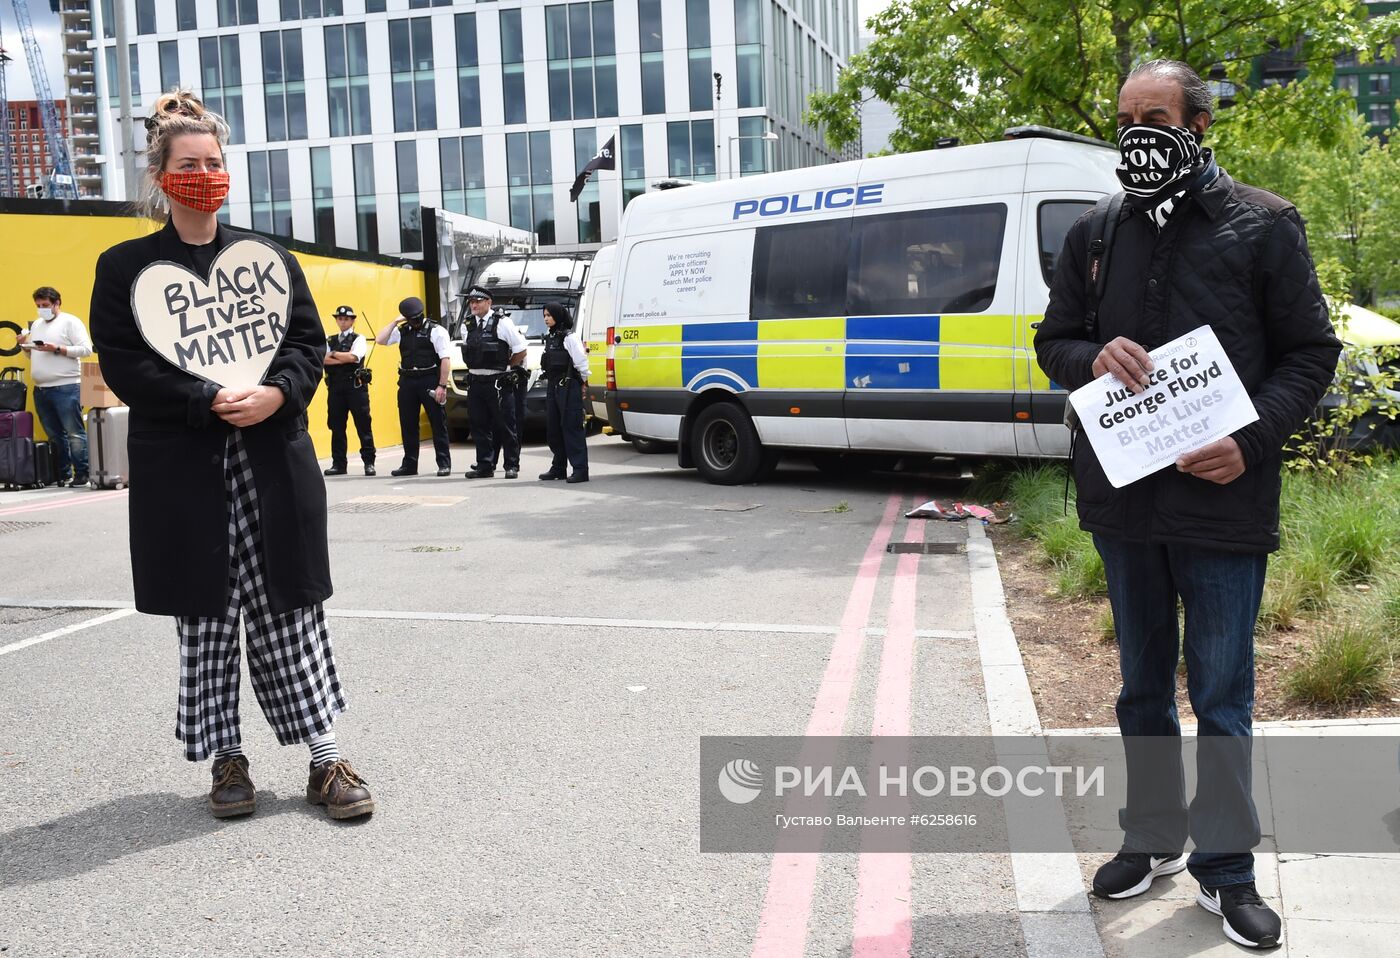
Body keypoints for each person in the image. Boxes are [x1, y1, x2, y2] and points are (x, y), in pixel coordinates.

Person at [1035, 60, 1341, 950]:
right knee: (1139, 687)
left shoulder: (1265, 222)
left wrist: (1249, 441)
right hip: (1124, 504)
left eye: (1156, 116)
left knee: (1221, 691)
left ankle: (1228, 870)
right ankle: (1154, 838)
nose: (1138, 132)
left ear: (1200, 126)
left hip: (1222, 503)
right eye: (1125, 118)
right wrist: (1090, 356)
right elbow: (1052, 341)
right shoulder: (1095, 234)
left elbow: (1310, 355)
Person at [89, 90, 374, 821]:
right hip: (186, 469)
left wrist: (277, 394)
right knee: (206, 619)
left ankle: (325, 757)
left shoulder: (265, 259)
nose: (206, 174)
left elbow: (306, 346)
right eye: (190, 164)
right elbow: (125, 362)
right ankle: (227, 762)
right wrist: (205, 398)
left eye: (215, 163)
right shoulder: (124, 267)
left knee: (295, 612)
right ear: (160, 175)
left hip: (271, 459)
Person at [18, 286, 92, 487]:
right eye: (38, 306)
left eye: (45, 305)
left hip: (67, 387)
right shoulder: (37, 326)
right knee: (55, 435)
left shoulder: (70, 321)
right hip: (42, 389)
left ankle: (82, 473)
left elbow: (86, 349)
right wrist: (25, 346)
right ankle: (63, 473)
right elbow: (33, 354)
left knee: (74, 433)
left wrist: (57, 348)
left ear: (57, 303)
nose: (42, 309)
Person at [376, 296, 452, 477]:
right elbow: (380, 339)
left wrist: (442, 385)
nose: (415, 322)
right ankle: (410, 464)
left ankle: (444, 463)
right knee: (408, 424)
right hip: (408, 381)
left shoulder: (436, 331)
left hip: (429, 380)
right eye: (411, 319)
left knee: (437, 423)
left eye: (418, 318)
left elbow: (445, 360)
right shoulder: (402, 331)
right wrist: (395, 322)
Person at [459, 285, 527, 479]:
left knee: (506, 425)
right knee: (479, 425)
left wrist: (507, 365)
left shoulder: (503, 323)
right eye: (471, 302)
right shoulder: (467, 325)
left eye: (478, 301)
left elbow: (521, 349)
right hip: (475, 381)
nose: (474, 305)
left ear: (489, 302)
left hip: (497, 382)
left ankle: (511, 465)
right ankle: (485, 465)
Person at [537, 302, 589, 483]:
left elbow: (582, 364)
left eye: (549, 315)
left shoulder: (569, 338)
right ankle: (558, 468)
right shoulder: (551, 337)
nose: (546, 319)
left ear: (558, 316)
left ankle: (580, 470)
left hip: (568, 386)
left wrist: (581, 384)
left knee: (571, 427)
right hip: (553, 386)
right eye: (544, 315)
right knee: (553, 429)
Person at [322, 304, 376, 477]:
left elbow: (354, 357)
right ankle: (339, 464)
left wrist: (334, 355)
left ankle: (369, 463)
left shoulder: (358, 338)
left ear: (352, 320)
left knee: (363, 424)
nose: (342, 321)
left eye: (346, 319)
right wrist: (341, 357)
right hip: (336, 387)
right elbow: (323, 360)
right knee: (336, 426)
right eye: (340, 318)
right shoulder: (329, 339)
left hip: (355, 387)